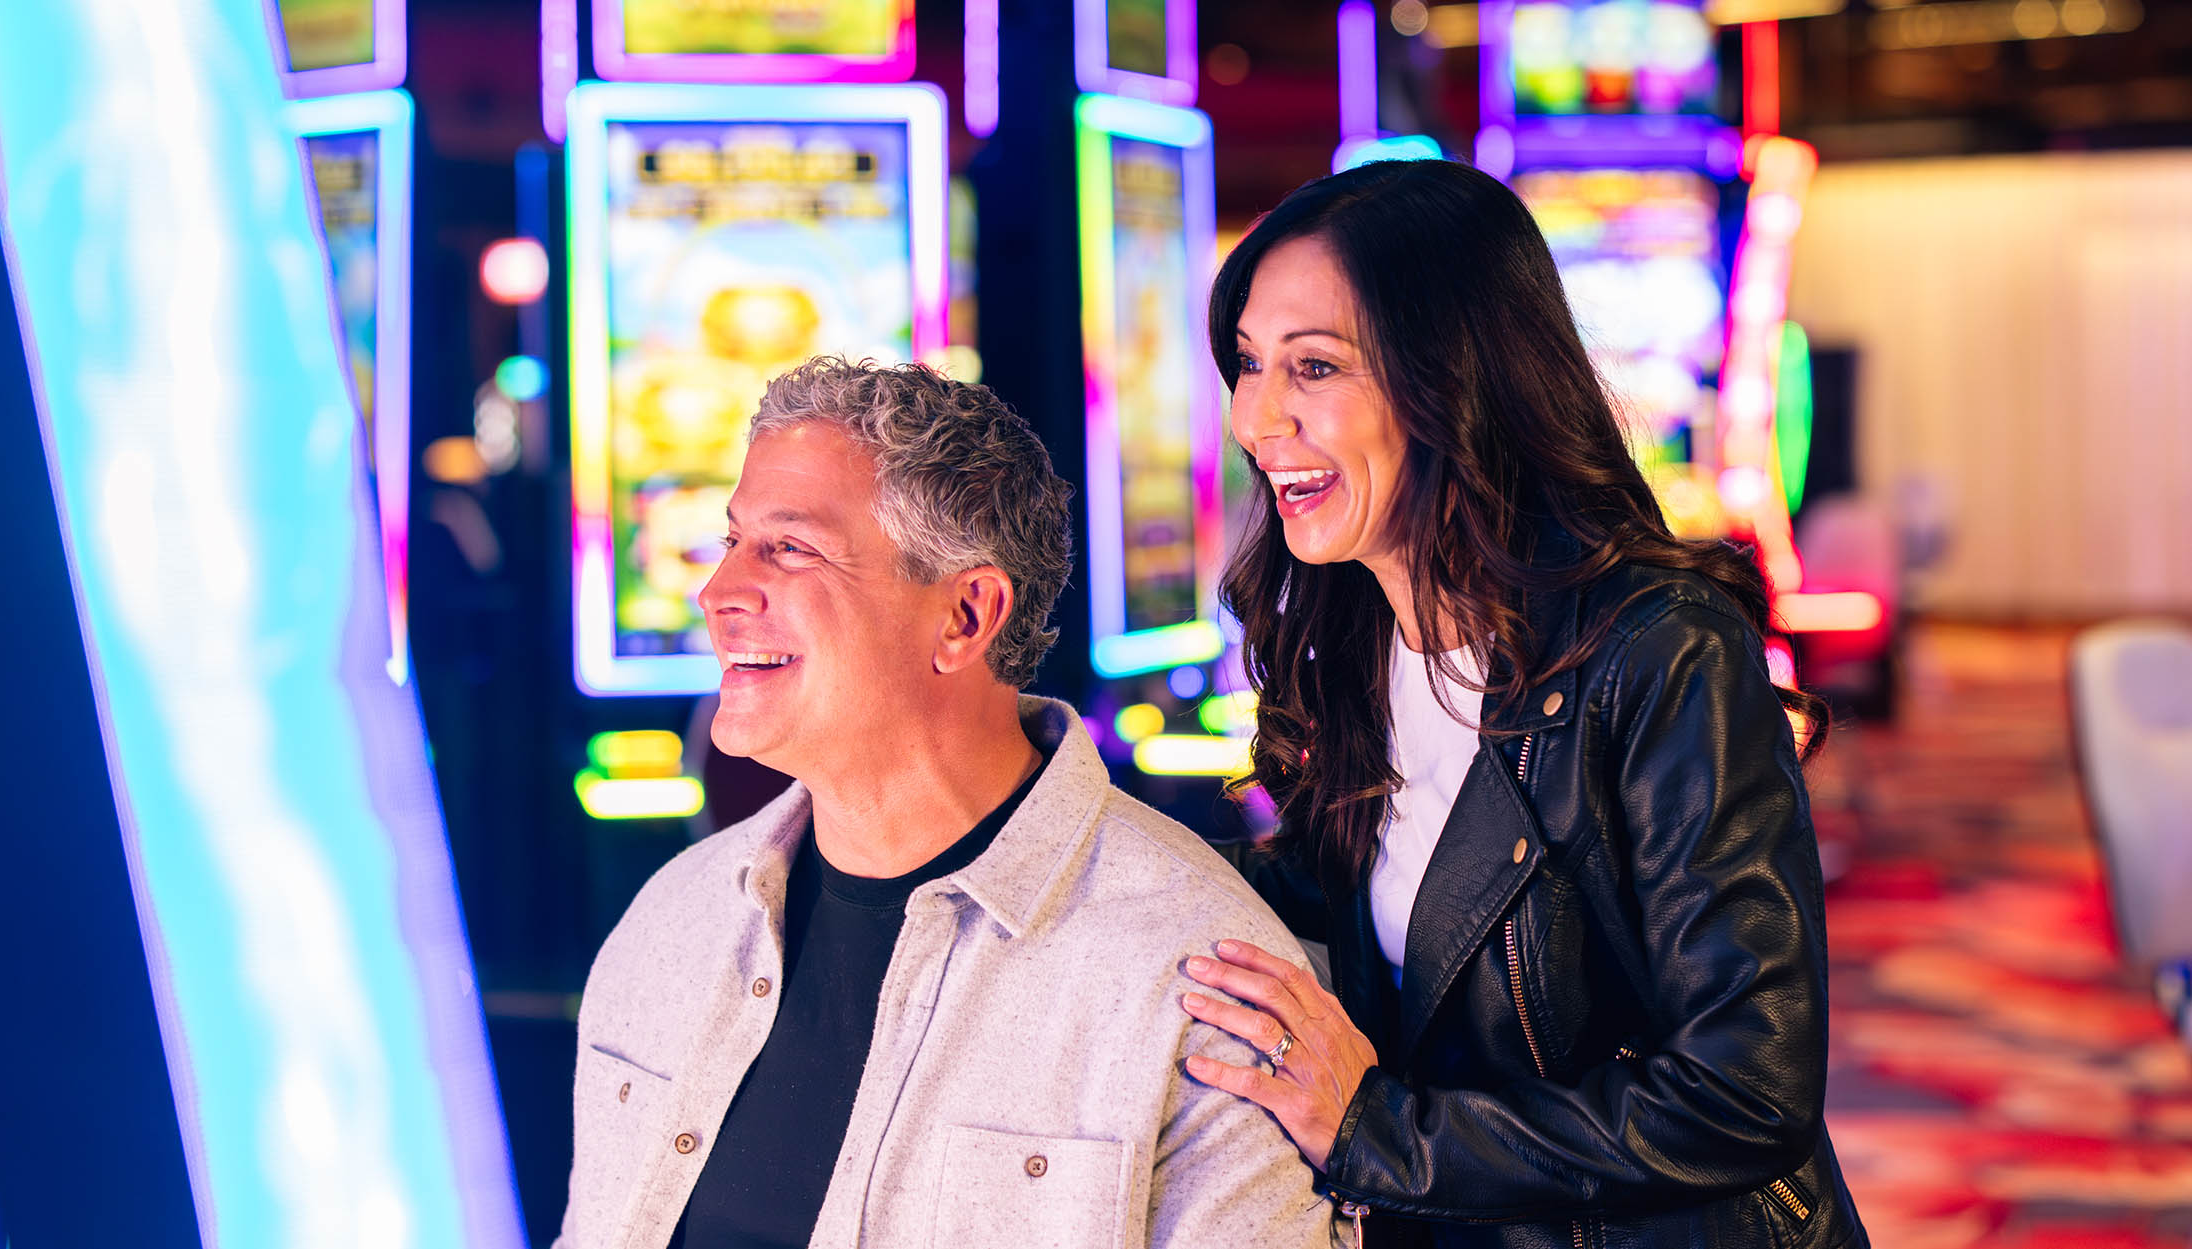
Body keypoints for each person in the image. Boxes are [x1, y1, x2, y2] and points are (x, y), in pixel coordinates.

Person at [1175, 160, 1870, 1249]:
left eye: (1314, 367)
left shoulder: (1658, 646)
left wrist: (1378, 1131)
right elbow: (1355, 891)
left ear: (1452, 378)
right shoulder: (1361, 635)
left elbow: (1746, 1092)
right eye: (1249, 364)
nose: (1258, 416)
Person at [554, 357, 1334, 1249]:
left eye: (790, 547)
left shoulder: (1195, 979)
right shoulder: (672, 923)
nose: (718, 590)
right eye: (732, 540)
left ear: (965, 615)